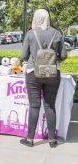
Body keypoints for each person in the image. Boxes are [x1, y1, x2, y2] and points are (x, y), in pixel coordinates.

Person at [21, 9, 67, 148]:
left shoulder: (31, 33)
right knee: (50, 105)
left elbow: (24, 55)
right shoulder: (57, 33)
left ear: (36, 18)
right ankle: (52, 140)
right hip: (53, 73)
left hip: (33, 72)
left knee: (34, 105)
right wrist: (52, 59)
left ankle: (30, 139)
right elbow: (64, 55)